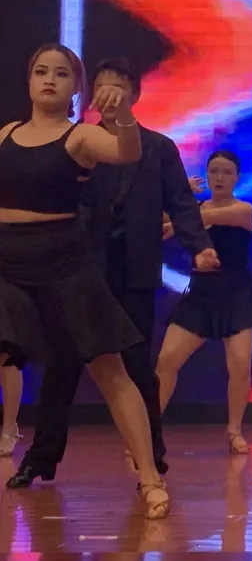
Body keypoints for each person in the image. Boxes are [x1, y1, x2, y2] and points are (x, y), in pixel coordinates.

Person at [7, 57, 217, 489]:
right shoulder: (79, 140)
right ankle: (40, 458)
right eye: (101, 86)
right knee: (61, 366)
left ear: (133, 94)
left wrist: (200, 247)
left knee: (137, 369)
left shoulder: (157, 148)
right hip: (78, 268)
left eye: (117, 87)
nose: (108, 94)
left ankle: (151, 463)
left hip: (134, 270)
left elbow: (180, 201)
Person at [0, 43, 170, 519]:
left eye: (61, 73)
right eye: (41, 71)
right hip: (8, 261)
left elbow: (127, 152)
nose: (49, 79)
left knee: (111, 371)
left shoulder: (80, 138)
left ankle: (150, 477)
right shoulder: (6, 134)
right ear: (29, 80)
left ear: (76, 88)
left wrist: (123, 116)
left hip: (64, 262)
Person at [156, 150, 252, 454]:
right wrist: (179, 199)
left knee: (240, 364)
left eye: (227, 172)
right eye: (213, 171)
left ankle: (234, 431)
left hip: (236, 295)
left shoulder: (244, 210)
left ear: (237, 177)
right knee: (166, 361)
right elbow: (156, 219)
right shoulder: (195, 209)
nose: (219, 178)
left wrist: (182, 213)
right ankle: (148, 429)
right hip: (200, 295)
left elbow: (206, 218)